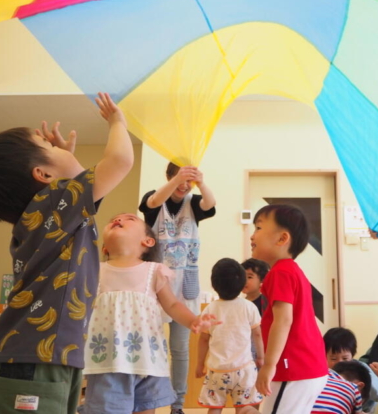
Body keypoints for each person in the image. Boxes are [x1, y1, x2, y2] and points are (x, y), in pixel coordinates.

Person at [0, 93, 134, 414]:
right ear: (43, 175)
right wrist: (117, 122)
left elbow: (88, 187)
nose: (60, 148)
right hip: (32, 361)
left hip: (40, 358)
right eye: (51, 148)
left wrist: (61, 160)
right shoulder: (54, 204)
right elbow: (120, 162)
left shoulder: (50, 211)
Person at [82, 213, 218, 414]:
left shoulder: (154, 271)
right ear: (104, 247)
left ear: (147, 241)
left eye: (130, 219)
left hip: (148, 360)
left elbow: (172, 304)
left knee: (146, 409)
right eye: (114, 219)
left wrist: (193, 320)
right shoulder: (95, 271)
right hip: (107, 362)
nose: (118, 219)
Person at [139, 162, 216, 414]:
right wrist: (177, 179)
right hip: (155, 284)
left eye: (189, 181)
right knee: (150, 344)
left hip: (184, 286)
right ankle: (147, 400)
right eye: (179, 179)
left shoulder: (193, 203)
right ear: (170, 176)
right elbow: (151, 203)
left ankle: (177, 405)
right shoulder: (156, 199)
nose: (184, 186)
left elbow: (210, 204)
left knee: (180, 349)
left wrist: (200, 182)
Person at [251, 204, 328, 413]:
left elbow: (283, 320)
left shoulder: (281, 273)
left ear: (282, 239)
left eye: (258, 228)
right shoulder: (291, 270)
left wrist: (269, 365)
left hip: (293, 368)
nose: (252, 236)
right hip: (307, 367)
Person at [195, 258, 264, 413]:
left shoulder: (210, 309)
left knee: (215, 407)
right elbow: (258, 335)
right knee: (244, 407)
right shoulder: (249, 307)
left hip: (217, 370)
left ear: (214, 285)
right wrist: (260, 357)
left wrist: (200, 364)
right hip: (243, 369)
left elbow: (203, 339)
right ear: (241, 284)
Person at [321, 327, 378, 413]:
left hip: (366, 409)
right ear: (325, 357)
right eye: (333, 358)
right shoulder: (323, 373)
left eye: (345, 358)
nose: (340, 363)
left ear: (352, 355)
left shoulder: (360, 369)